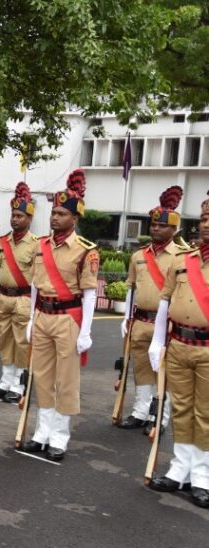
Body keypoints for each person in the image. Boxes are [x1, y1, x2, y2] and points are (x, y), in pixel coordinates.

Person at [22, 169, 98, 463]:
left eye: (61, 214)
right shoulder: (40, 246)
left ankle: (60, 437)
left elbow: (90, 293)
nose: (55, 218)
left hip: (68, 317)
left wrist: (86, 331)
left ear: (74, 218)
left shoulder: (85, 251)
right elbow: (33, 286)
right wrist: (30, 318)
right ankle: (42, 433)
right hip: (42, 314)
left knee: (65, 380)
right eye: (53, 212)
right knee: (42, 376)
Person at [147, 193, 209, 509]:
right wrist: (158, 342)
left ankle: (202, 477)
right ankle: (180, 468)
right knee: (181, 408)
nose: (206, 225)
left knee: (206, 414)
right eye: (203, 220)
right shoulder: (183, 261)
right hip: (181, 345)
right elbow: (164, 302)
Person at [120, 187, 183, 431]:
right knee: (141, 368)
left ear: (174, 229)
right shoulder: (138, 255)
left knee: (163, 371)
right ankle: (140, 411)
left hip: (166, 324)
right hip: (140, 321)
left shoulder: (182, 256)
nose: (156, 228)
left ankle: (159, 417)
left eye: (162, 226)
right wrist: (125, 317)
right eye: (154, 224)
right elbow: (131, 288)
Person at [0, 182, 36, 403]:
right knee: (4, 339)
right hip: (3, 297)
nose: (15, 219)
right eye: (13, 215)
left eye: (20, 216)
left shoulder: (36, 245)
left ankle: (18, 383)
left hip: (23, 299)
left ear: (29, 219)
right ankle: (5, 381)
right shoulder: (3, 242)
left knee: (21, 341)